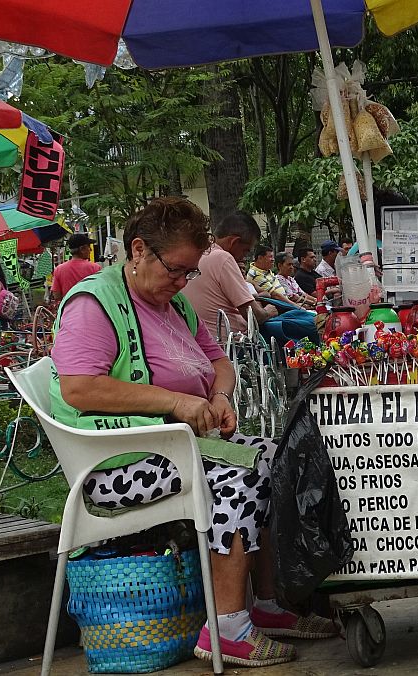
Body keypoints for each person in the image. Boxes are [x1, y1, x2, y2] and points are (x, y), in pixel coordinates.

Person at [50, 197, 336, 668]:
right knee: (236, 478)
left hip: (176, 449)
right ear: (138, 250)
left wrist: (219, 397)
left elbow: (219, 362)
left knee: (281, 457)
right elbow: (81, 388)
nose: (182, 282)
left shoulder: (174, 304)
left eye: (190, 274)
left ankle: (266, 605)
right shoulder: (93, 304)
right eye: (176, 269)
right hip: (115, 463)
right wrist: (176, 402)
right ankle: (226, 628)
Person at [182, 211, 278, 340]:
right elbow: (255, 315)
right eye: (245, 250)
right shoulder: (222, 257)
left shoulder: (200, 254)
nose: (245, 256)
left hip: (201, 339)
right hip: (231, 344)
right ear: (234, 241)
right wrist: (269, 311)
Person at [49, 233, 102, 304]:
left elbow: (56, 296)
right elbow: (101, 292)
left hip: (69, 311)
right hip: (91, 309)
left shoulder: (59, 269)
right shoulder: (95, 268)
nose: (91, 250)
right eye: (89, 247)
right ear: (82, 249)